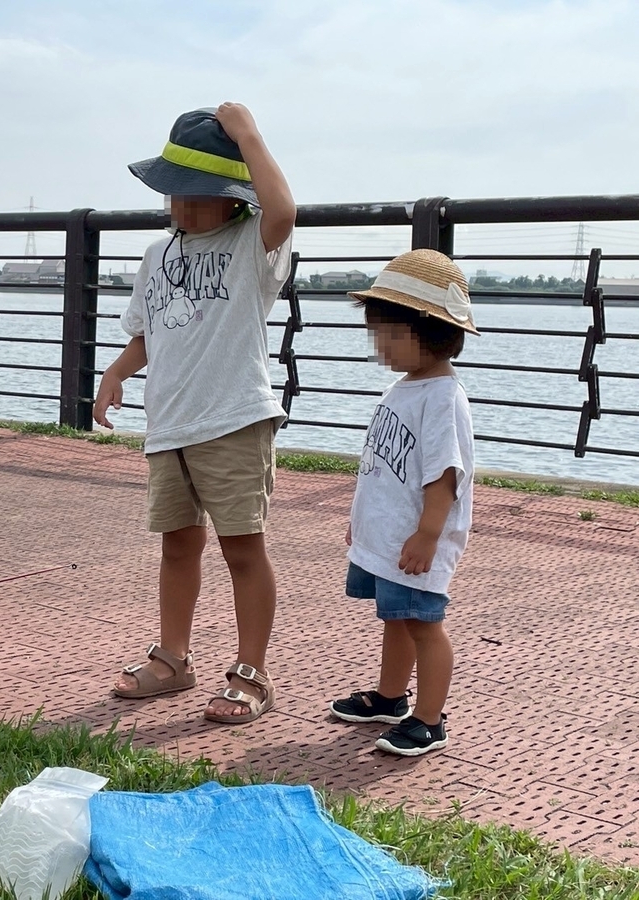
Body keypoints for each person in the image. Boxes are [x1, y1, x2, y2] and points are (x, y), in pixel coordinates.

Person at [93, 104, 295, 724]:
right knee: (177, 546)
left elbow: (284, 210)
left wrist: (249, 135)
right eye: (174, 195)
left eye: (199, 196)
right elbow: (148, 331)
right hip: (170, 425)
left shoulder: (252, 243)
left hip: (233, 420)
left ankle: (251, 672)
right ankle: (174, 659)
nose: (183, 208)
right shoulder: (158, 253)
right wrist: (115, 374)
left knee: (243, 549)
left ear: (234, 197)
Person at [329, 249, 478, 756]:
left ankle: (430, 720)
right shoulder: (406, 387)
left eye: (390, 335)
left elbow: (444, 476)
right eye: (377, 333)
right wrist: (362, 521)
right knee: (395, 618)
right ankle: (391, 697)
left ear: (430, 331)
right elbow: (382, 468)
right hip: (389, 537)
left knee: (422, 624)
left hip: (417, 541)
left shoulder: (441, 397)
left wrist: (428, 534)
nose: (380, 346)